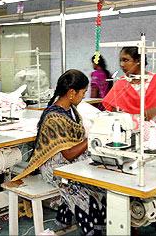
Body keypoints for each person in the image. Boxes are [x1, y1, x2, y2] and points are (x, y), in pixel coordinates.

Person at [12, 69, 106, 235]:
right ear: (71, 92)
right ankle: (91, 229)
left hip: (71, 163)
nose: (84, 96)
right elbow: (68, 154)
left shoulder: (72, 110)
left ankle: (67, 218)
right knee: (86, 194)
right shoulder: (54, 117)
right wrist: (91, 138)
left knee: (102, 187)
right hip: (55, 167)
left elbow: (74, 142)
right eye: (83, 92)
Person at [102, 46, 156, 128]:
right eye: (120, 60)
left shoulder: (155, 81)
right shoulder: (121, 83)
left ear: (138, 61)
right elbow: (113, 112)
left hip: (151, 133)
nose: (121, 64)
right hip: (127, 133)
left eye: (126, 60)